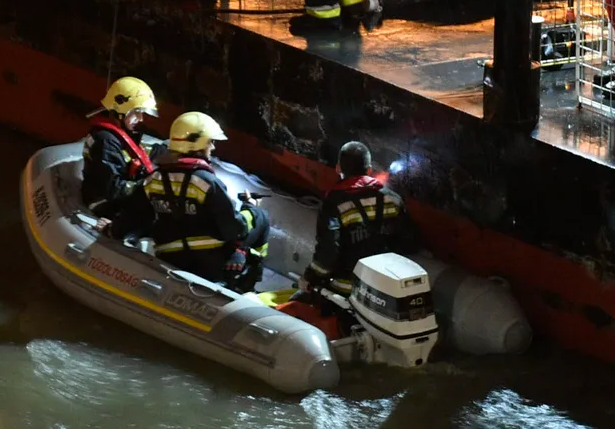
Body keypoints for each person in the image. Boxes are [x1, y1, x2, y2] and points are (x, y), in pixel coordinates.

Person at [108, 111, 270, 293]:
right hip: (210, 263)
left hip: (170, 257)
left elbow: (133, 215)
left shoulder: (153, 179)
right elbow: (233, 228)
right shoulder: (207, 183)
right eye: (211, 141)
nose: (213, 148)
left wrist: (111, 229)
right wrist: (249, 207)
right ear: (198, 143)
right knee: (261, 218)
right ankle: (248, 281)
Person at [298, 141, 419, 300]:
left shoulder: (334, 203)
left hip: (345, 291)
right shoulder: (394, 199)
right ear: (369, 170)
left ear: (338, 168)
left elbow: (328, 253)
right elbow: (408, 242)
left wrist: (309, 278)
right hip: (384, 291)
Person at [81, 77, 161, 219]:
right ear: (120, 110)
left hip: (118, 196)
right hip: (106, 203)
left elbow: (138, 155)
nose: (141, 118)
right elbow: (113, 189)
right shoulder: (105, 141)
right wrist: (150, 186)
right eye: (136, 112)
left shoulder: (118, 136)